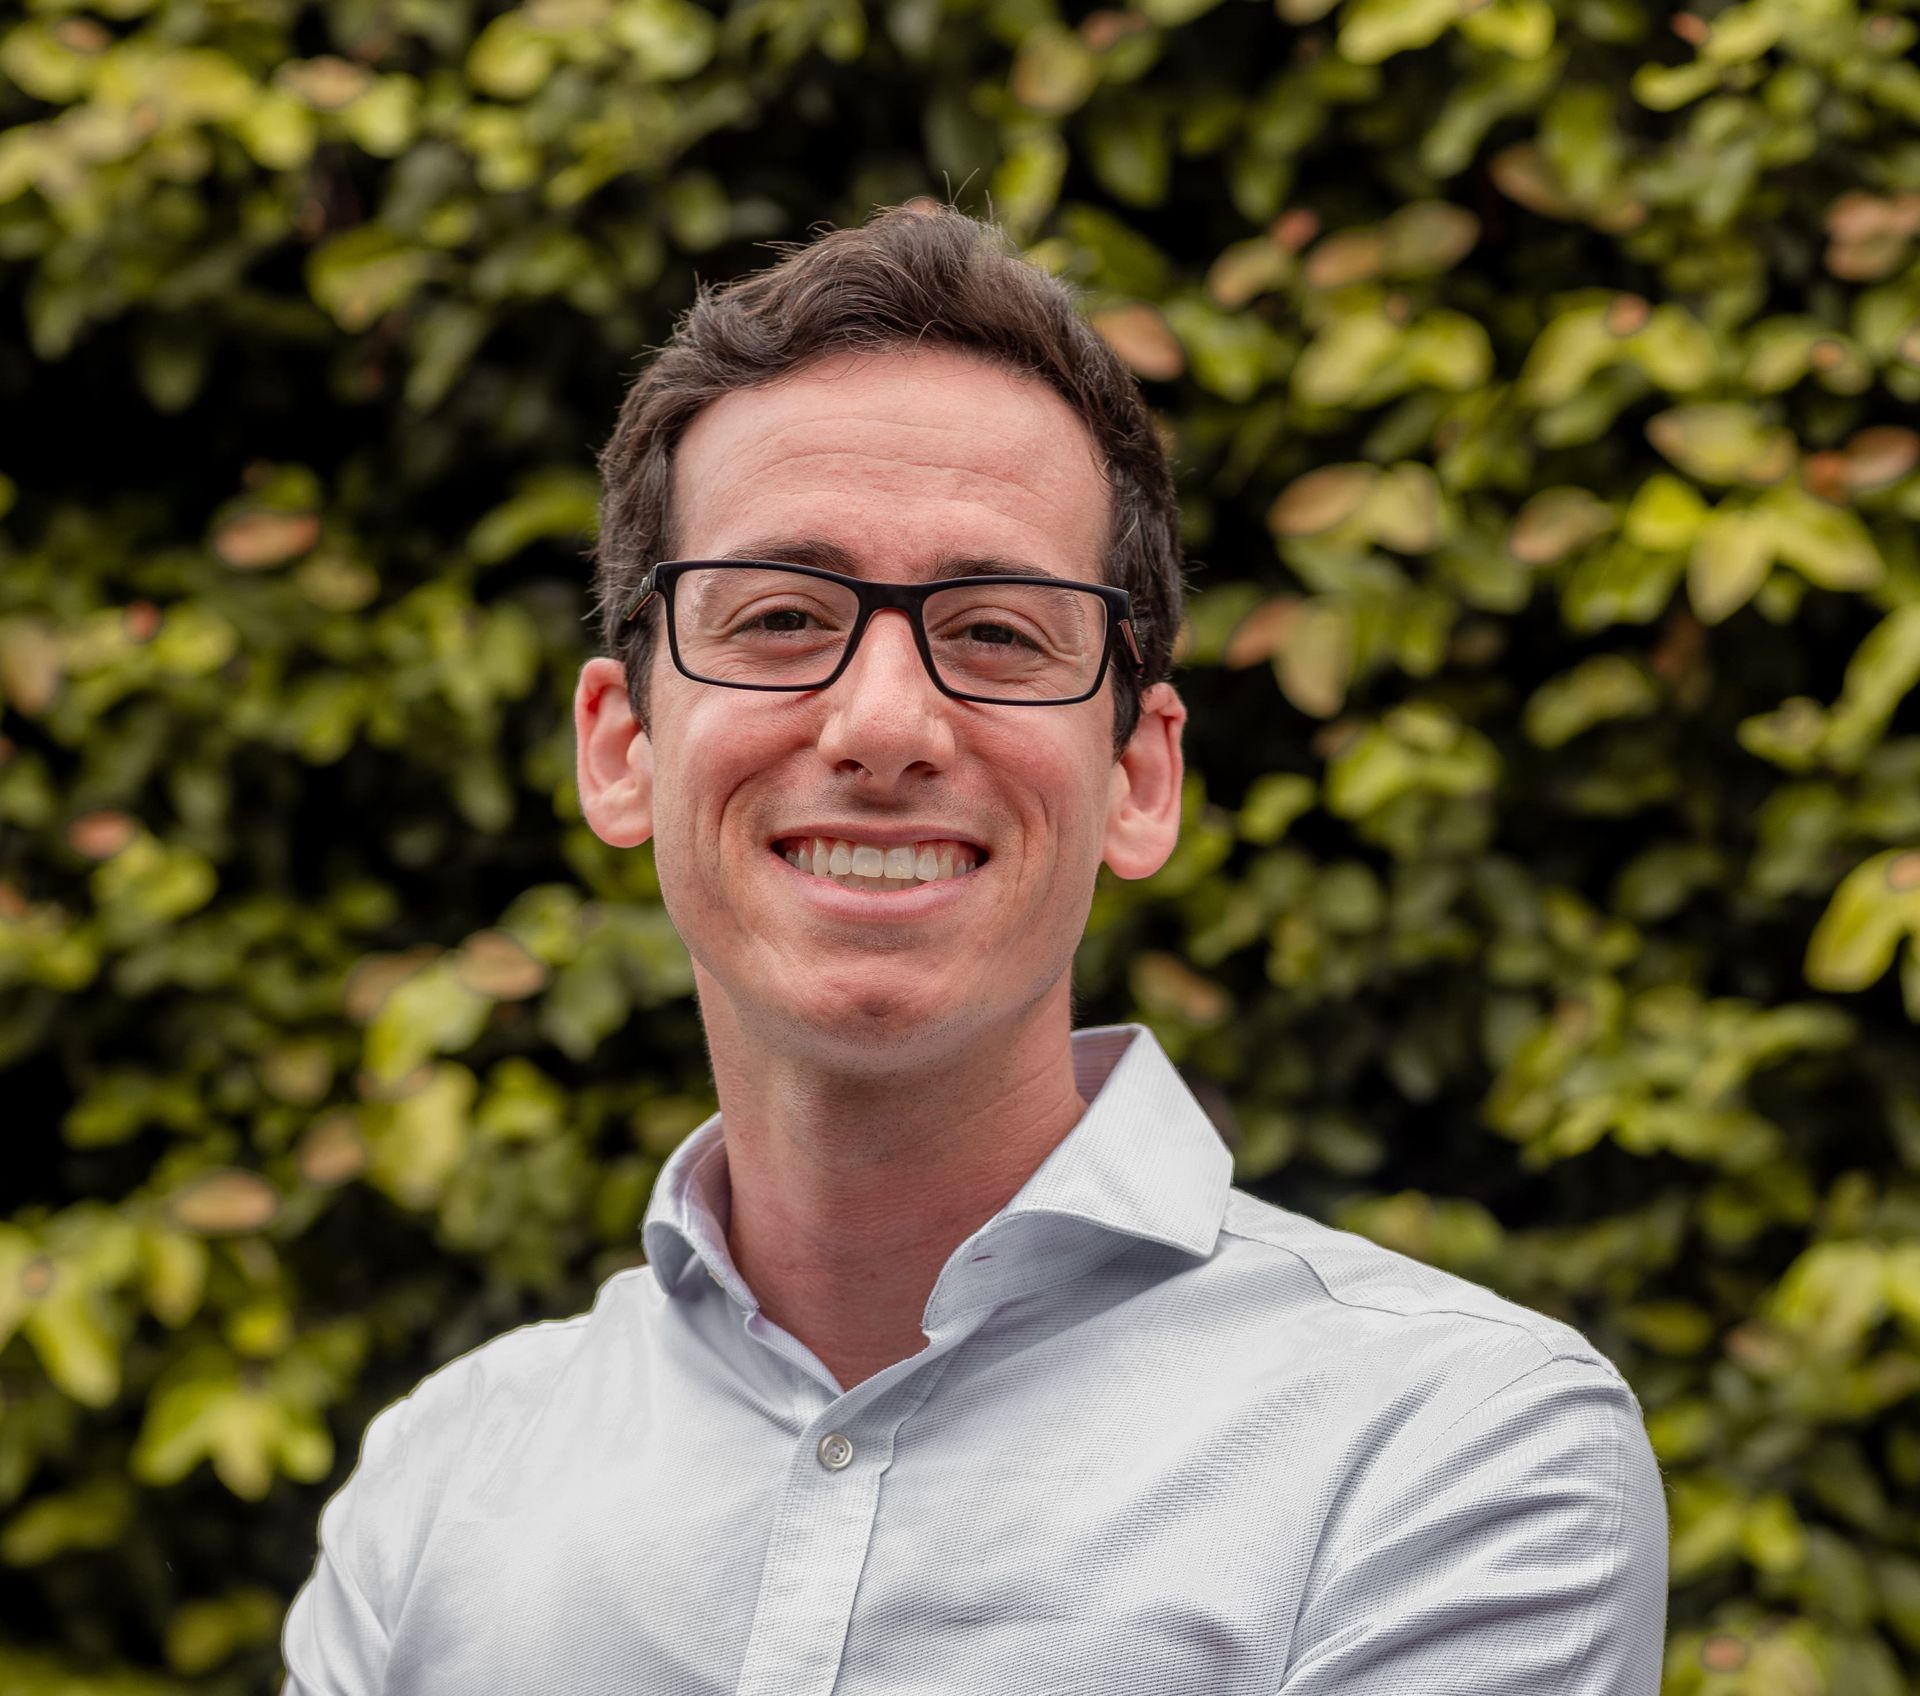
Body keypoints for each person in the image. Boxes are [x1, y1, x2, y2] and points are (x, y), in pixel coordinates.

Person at [280, 203, 1667, 1696]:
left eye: (999, 632)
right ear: (621, 748)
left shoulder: (1454, 1443)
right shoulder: (435, 1489)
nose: (883, 725)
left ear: (1140, 776)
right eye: (781, 616)